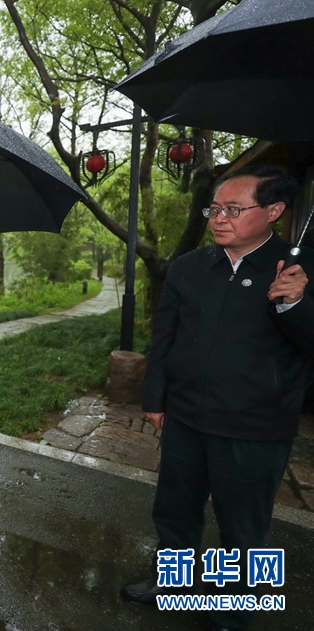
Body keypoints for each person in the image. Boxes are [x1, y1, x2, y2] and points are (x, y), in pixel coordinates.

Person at [121, 165, 314, 631]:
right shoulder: (189, 267)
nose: (219, 218)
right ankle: (174, 584)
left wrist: (295, 304)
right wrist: (155, 398)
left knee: (243, 526)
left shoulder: (300, 268)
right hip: (186, 417)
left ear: (273, 211)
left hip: (256, 425)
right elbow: (164, 338)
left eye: (233, 209)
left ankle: (235, 606)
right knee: (175, 512)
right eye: (214, 209)